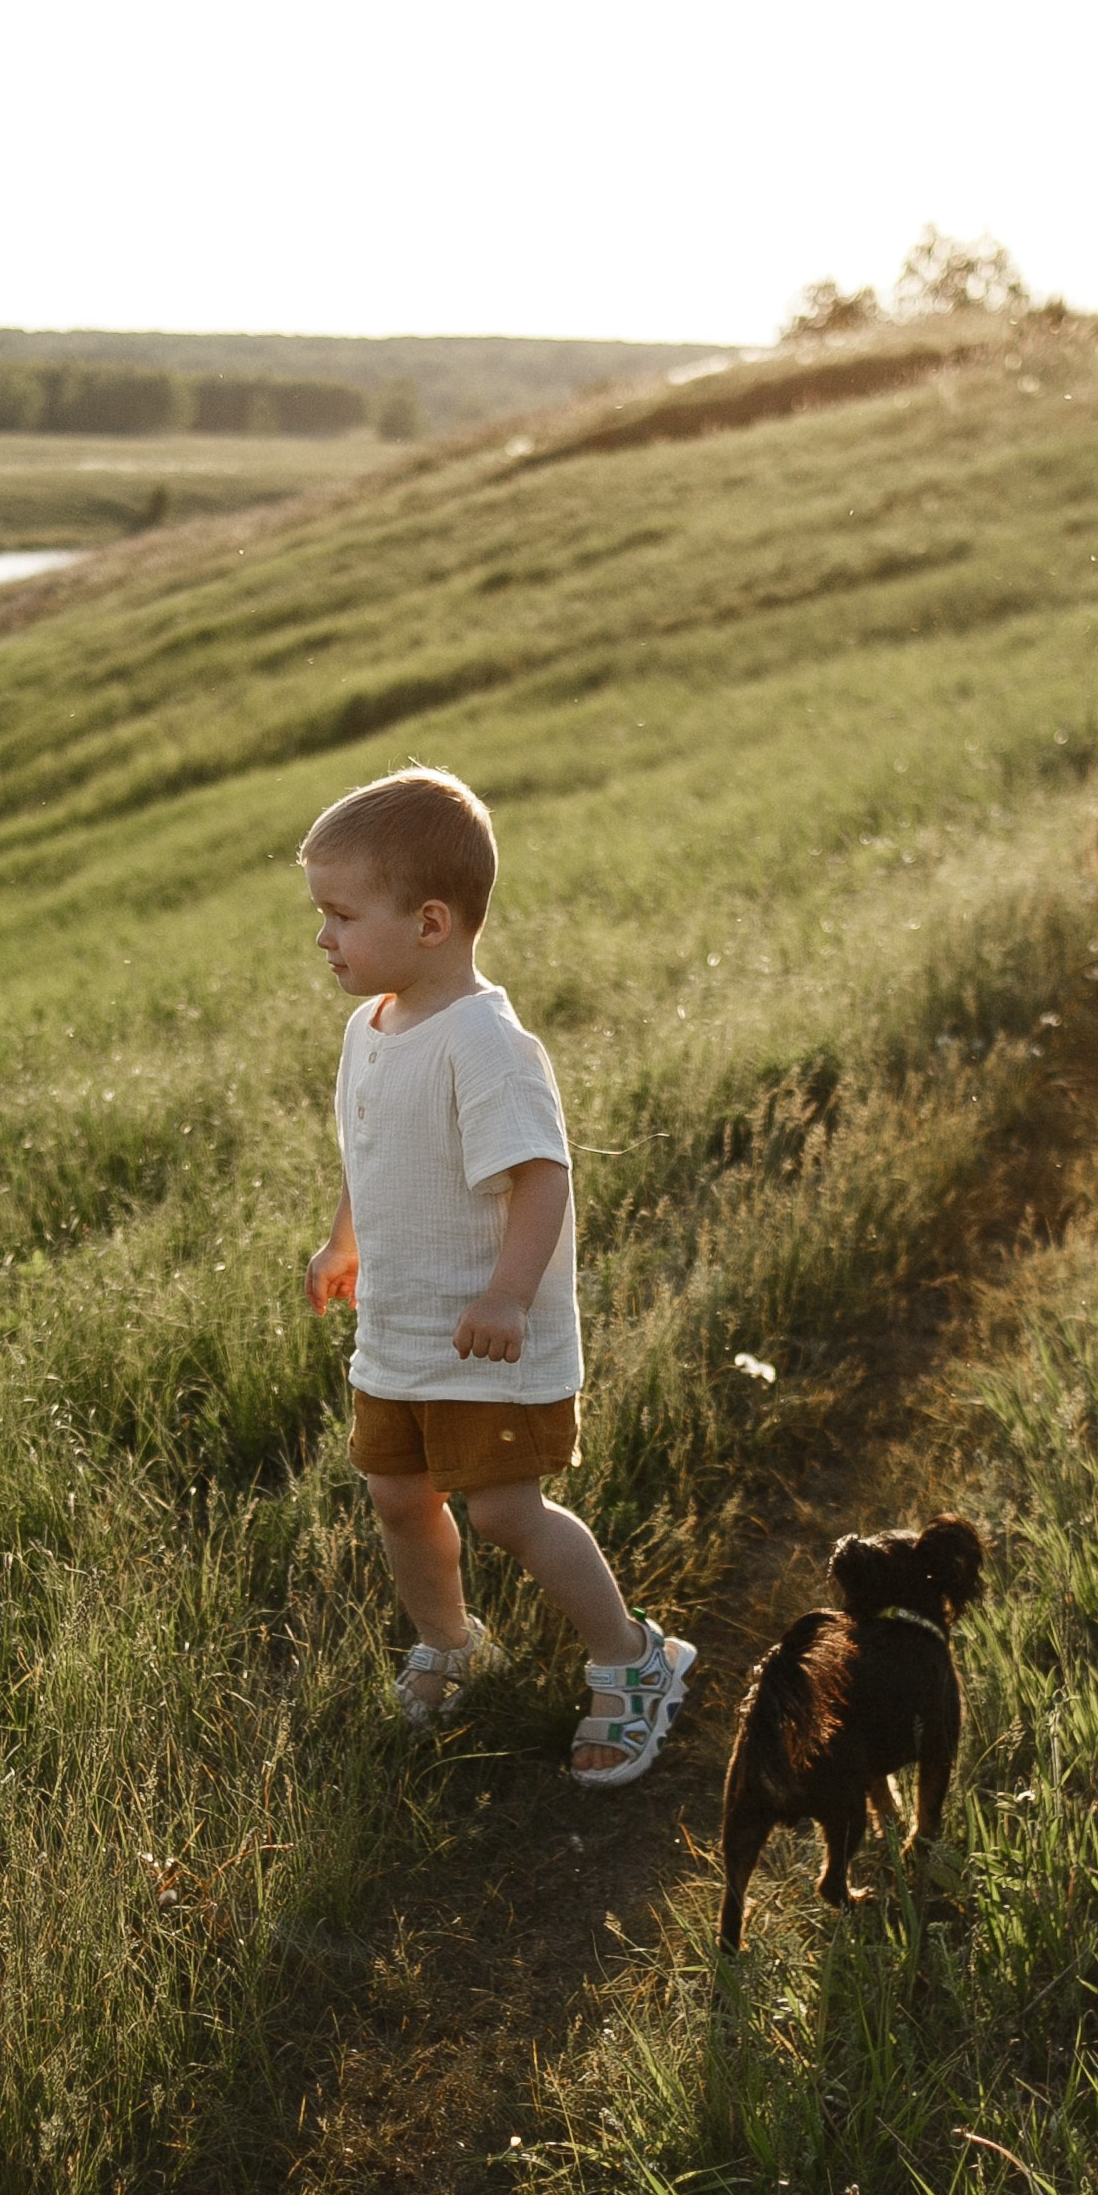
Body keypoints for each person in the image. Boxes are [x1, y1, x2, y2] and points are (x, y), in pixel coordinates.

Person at [300, 765, 695, 1784]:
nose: (323, 937)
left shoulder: (487, 1044)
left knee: (504, 1509)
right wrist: (344, 1239)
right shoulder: (370, 1026)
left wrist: (506, 1296)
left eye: (341, 914)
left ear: (431, 922)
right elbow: (369, 1151)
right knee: (397, 1492)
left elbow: (541, 1179)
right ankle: (451, 1639)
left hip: (488, 1332)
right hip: (397, 1326)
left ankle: (633, 1657)